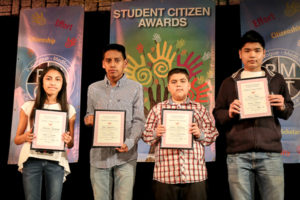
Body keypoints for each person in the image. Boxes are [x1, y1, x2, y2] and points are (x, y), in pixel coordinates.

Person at [213, 30, 294, 200]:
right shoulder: (229, 82)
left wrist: (281, 106)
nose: (252, 55)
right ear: (240, 54)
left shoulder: (276, 79)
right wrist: (229, 112)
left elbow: (288, 110)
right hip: (238, 156)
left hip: (270, 154)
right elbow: (218, 114)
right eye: (247, 51)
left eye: (257, 50)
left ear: (264, 53)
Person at [142, 68, 219, 200]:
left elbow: (213, 135)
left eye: (182, 81)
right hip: (165, 175)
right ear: (169, 87)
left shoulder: (199, 109)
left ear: (189, 86)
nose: (178, 84)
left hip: (194, 174)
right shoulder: (157, 109)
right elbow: (145, 136)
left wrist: (200, 134)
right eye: (174, 82)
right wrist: (156, 133)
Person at [84, 43, 145, 200]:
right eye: (108, 60)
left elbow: (139, 120)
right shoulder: (93, 88)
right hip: (99, 158)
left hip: (126, 157)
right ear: (103, 63)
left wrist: (129, 142)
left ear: (125, 63)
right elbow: (88, 115)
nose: (112, 64)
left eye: (117, 60)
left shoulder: (136, 87)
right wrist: (88, 119)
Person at [14, 65, 76, 200]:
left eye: (57, 79)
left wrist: (67, 139)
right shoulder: (28, 106)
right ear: (42, 82)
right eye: (48, 79)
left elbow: (71, 144)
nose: (53, 83)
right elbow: (17, 139)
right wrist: (25, 137)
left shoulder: (69, 109)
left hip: (56, 161)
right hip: (31, 160)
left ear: (62, 84)